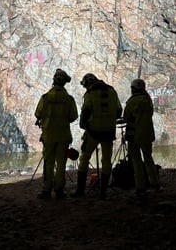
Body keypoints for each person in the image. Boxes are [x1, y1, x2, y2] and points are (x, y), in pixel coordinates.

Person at [71, 73, 122, 199]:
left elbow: (85, 113)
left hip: (93, 132)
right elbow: (119, 111)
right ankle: (103, 192)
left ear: (88, 84)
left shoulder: (90, 94)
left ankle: (80, 191)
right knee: (106, 161)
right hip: (109, 132)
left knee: (84, 158)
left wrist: (85, 126)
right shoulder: (112, 91)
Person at [35, 69, 78, 199]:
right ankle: (59, 191)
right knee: (61, 163)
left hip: (48, 135)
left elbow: (38, 114)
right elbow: (73, 116)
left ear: (54, 81)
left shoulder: (45, 97)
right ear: (64, 83)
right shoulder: (69, 99)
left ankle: (46, 190)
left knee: (48, 162)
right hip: (63, 136)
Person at [123, 79, 160, 194]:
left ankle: (140, 186)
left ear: (133, 89)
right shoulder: (148, 100)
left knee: (136, 161)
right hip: (147, 134)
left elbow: (125, 117)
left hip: (134, 135)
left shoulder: (132, 101)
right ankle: (154, 183)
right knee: (148, 159)